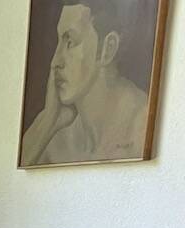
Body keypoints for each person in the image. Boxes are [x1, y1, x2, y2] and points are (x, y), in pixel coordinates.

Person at [21, 0, 149, 165]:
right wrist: (47, 121)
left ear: (108, 49)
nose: (55, 62)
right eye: (58, 42)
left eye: (70, 43)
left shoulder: (141, 126)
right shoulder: (56, 130)